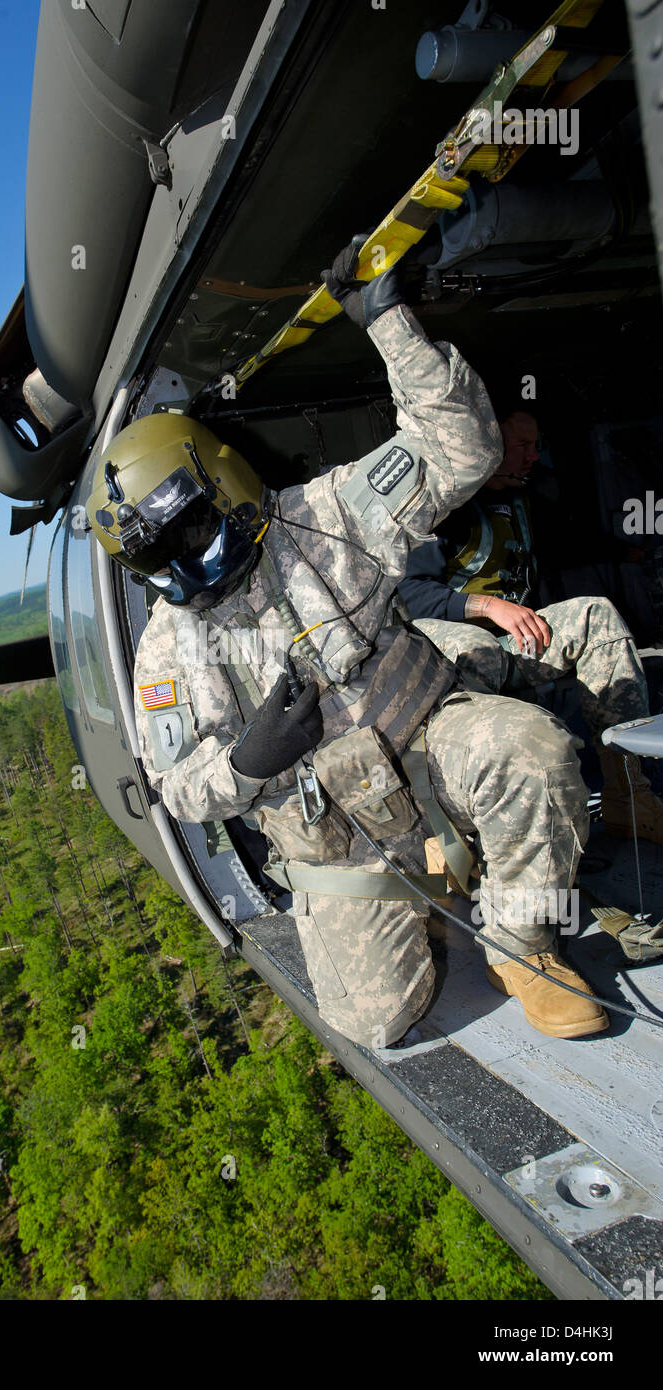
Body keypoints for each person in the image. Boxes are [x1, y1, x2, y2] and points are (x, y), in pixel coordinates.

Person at [86, 234, 616, 1048]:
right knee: (379, 1021)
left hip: (429, 737)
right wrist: (246, 762)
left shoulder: (325, 516)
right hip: (332, 819)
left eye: (188, 529)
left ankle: (522, 945)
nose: (183, 560)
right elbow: (176, 789)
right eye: (156, 554)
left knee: (529, 750)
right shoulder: (168, 647)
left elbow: (461, 450)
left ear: (222, 483)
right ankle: (427, 878)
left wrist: (386, 321)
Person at [396, 411, 663, 849]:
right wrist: (487, 606)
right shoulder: (440, 509)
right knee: (475, 642)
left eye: (535, 446)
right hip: (448, 667)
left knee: (595, 614)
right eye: (521, 447)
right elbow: (405, 593)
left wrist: (632, 553)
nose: (533, 457)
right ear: (488, 447)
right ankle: (463, 827)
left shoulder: (522, 501)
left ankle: (629, 798)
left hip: (507, 650)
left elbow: (568, 542)